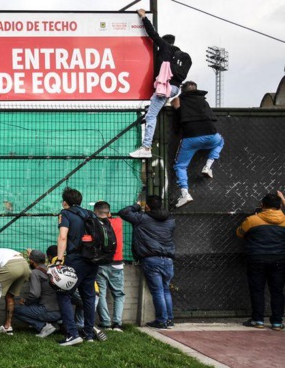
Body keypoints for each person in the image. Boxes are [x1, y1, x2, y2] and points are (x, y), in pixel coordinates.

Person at [130, 8, 186, 159]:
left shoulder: (165, 48)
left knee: (150, 115)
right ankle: (147, 145)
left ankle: (146, 147)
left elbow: (152, 34)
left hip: (165, 87)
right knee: (156, 108)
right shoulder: (178, 55)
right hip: (174, 89)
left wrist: (143, 17)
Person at [119, 196, 176, 329]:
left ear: (148, 206)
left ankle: (161, 320)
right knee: (166, 290)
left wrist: (137, 206)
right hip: (168, 260)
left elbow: (123, 212)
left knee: (157, 291)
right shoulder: (171, 221)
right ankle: (169, 320)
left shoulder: (141, 218)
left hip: (151, 259)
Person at [55, 188, 99, 345]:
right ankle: (89, 334)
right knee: (88, 296)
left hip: (76, 259)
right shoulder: (90, 214)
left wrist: (59, 260)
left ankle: (72, 334)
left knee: (64, 294)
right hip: (93, 260)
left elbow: (62, 236)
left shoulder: (66, 213)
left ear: (65, 202)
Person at [171, 81, 225, 208]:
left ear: (182, 90)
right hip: (212, 135)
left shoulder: (179, 99)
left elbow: (176, 115)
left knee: (180, 166)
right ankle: (208, 166)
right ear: (196, 89)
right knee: (220, 141)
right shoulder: (203, 100)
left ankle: (185, 194)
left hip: (191, 137)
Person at [236, 193, 285, 330]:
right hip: (279, 259)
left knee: (257, 290)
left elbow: (239, 233)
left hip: (256, 258)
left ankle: (258, 320)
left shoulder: (252, 220)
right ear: (280, 206)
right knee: (277, 291)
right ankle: (277, 322)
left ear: (262, 205)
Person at [93, 201, 126, 331]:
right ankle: (117, 323)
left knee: (101, 293)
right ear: (109, 213)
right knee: (118, 294)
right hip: (117, 263)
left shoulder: (95, 225)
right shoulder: (118, 222)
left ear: (96, 212)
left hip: (101, 263)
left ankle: (105, 322)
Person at [14, 250, 61, 338]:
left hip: (48, 311)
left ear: (32, 261)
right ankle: (55, 324)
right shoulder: (51, 270)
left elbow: (35, 294)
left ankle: (43, 327)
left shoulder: (35, 273)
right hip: (60, 310)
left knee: (15, 309)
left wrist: (25, 302)